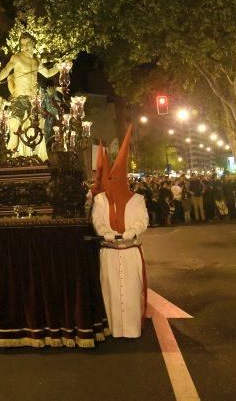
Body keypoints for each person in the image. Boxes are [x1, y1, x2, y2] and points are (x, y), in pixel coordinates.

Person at [91, 125, 149, 338]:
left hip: (130, 250)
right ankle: (114, 328)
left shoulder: (137, 199)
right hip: (109, 251)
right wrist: (105, 231)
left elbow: (143, 220)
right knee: (111, 291)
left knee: (132, 290)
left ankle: (132, 329)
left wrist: (132, 231)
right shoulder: (100, 200)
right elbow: (97, 220)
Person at [0, 32, 61, 159]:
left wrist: (61, 66)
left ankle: (33, 158)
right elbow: (6, 70)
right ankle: (10, 158)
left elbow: (48, 73)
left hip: (33, 101)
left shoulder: (36, 61)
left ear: (33, 44)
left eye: (28, 44)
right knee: (14, 129)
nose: (25, 47)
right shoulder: (17, 58)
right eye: (22, 45)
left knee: (34, 131)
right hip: (19, 99)